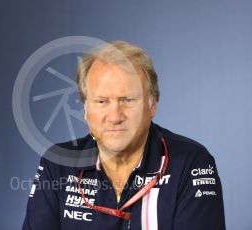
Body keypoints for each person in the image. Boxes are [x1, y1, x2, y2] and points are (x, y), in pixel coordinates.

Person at [22, 41, 226, 230]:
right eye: (102, 101)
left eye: (127, 100)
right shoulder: (58, 163)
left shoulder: (191, 163)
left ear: (152, 104)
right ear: (85, 109)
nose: (115, 116)